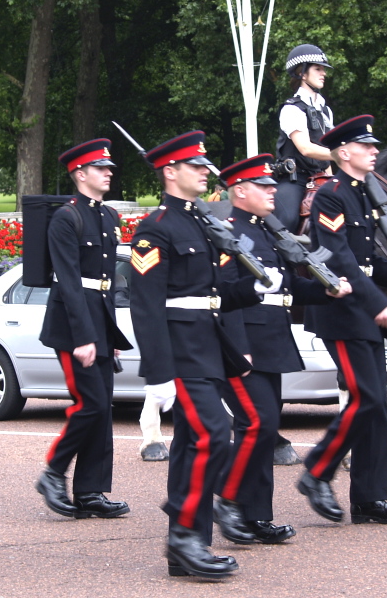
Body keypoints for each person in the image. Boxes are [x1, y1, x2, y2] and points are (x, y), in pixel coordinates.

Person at [128, 131, 281, 579]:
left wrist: (252, 289)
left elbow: (211, 296)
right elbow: (146, 304)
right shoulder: (155, 227)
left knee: (193, 443)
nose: (204, 171)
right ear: (170, 172)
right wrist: (157, 373)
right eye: (195, 165)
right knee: (215, 434)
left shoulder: (201, 222)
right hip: (180, 353)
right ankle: (183, 533)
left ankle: (186, 546)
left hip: (208, 348)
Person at [297, 115, 387, 525]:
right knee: (368, 399)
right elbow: (339, 259)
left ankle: (370, 497)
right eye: (367, 146)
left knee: (374, 407)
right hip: (342, 314)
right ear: (344, 152)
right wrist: (378, 302)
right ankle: (317, 471)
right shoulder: (331, 196)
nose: (375, 151)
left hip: (363, 311)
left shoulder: (362, 195)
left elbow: (371, 262)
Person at [212, 154, 352, 546]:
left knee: (266, 428)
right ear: (240, 191)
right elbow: (224, 294)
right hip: (248, 341)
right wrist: (239, 346)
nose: (274, 191)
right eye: (264, 186)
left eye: (273, 185)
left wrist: (327, 290)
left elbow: (289, 286)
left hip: (271, 337)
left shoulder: (268, 232)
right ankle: (228, 500)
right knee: (258, 426)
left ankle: (257, 516)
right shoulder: (228, 231)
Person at [35, 138, 132, 521]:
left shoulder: (108, 216)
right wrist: (85, 336)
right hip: (74, 324)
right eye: (100, 168)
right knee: (89, 404)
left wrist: (110, 335)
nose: (108, 173)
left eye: (109, 168)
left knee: (101, 408)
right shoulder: (66, 217)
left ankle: (91, 490)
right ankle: (54, 471)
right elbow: (71, 283)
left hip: (100, 319)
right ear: (79, 174)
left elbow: (109, 282)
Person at [274, 43, 334, 232]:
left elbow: (326, 150)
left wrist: (332, 179)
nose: (323, 73)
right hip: (295, 180)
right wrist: (342, 154)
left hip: (321, 178)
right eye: (318, 68)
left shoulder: (326, 110)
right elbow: (305, 148)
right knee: (288, 220)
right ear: (301, 73)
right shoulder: (292, 109)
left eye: (323, 69)